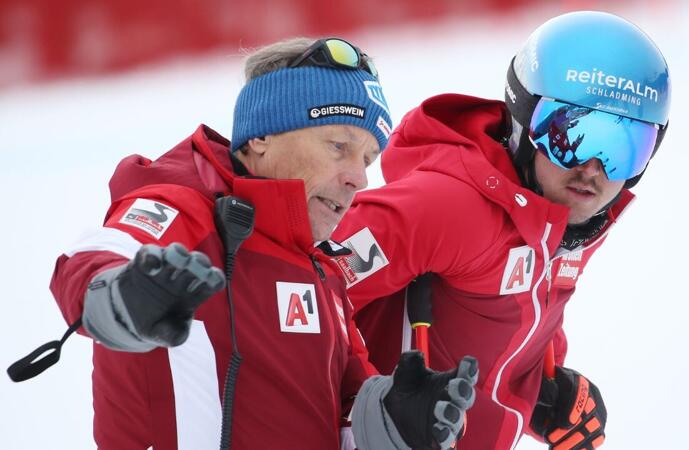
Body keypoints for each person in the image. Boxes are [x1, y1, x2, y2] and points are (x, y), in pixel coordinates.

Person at [46, 37, 477, 450]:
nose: (359, 177)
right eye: (338, 145)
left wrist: (397, 420)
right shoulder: (189, 211)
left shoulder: (324, 275)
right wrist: (122, 293)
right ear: (261, 137)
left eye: (367, 158)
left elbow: (348, 421)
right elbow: (102, 255)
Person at [331, 11, 671, 450]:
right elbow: (304, 286)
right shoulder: (446, 205)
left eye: (625, 150)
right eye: (571, 135)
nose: (593, 170)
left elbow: (506, 325)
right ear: (525, 122)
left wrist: (544, 396)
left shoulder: (566, 226)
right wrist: (371, 404)